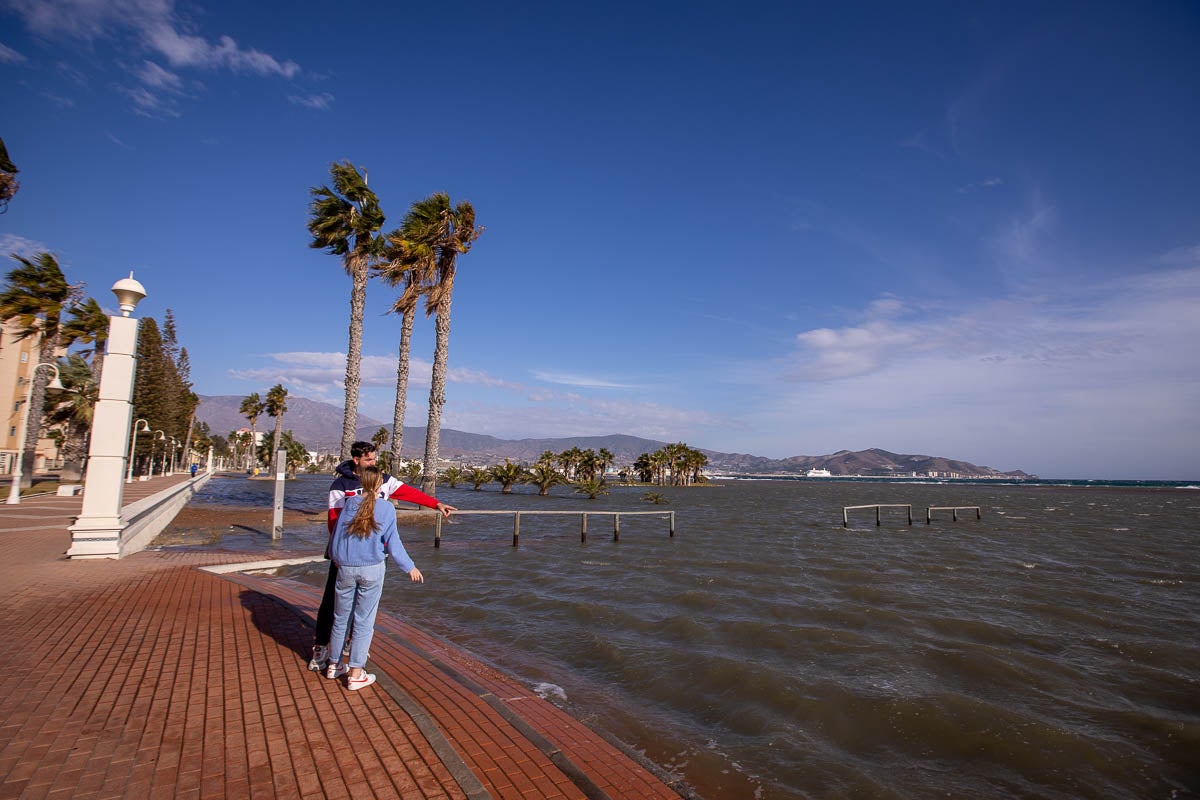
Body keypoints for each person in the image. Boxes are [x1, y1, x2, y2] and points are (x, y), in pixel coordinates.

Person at [307, 441, 455, 671]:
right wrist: (338, 554)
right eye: (368, 460)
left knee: (363, 605)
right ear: (356, 460)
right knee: (332, 603)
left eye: (375, 459)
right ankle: (321, 647)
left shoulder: (383, 480)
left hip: (373, 556)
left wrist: (436, 504)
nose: (373, 463)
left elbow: (409, 493)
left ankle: (351, 646)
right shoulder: (340, 485)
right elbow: (334, 522)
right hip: (345, 556)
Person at [324, 465, 429, 689]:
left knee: (340, 617)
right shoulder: (386, 508)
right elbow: (394, 542)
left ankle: (333, 665)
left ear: (361, 482)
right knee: (364, 621)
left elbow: (336, 536)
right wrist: (409, 567)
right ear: (379, 484)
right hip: (372, 569)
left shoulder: (350, 503)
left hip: (345, 567)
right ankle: (356, 673)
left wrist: (335, 557)